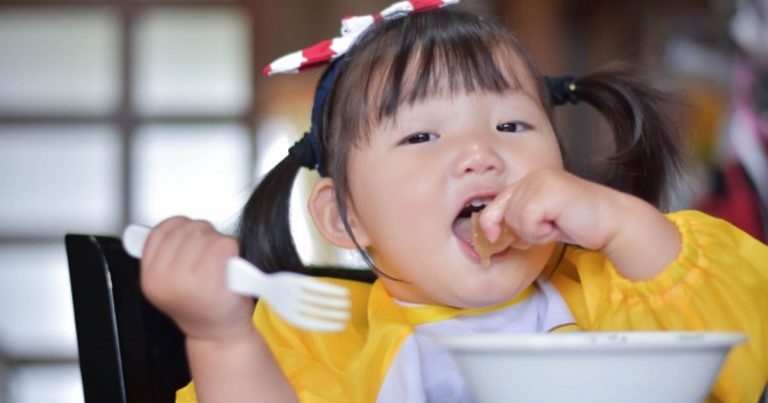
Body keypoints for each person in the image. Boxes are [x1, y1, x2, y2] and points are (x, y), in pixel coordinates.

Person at [136, 1, 768, 402]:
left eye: (512, 127)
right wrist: (219, 337)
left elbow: (741, 345)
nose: (479, 155)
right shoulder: (325, 338)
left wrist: (621, 220)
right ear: (346, 216)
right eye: (421, 136)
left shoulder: (609, 283)